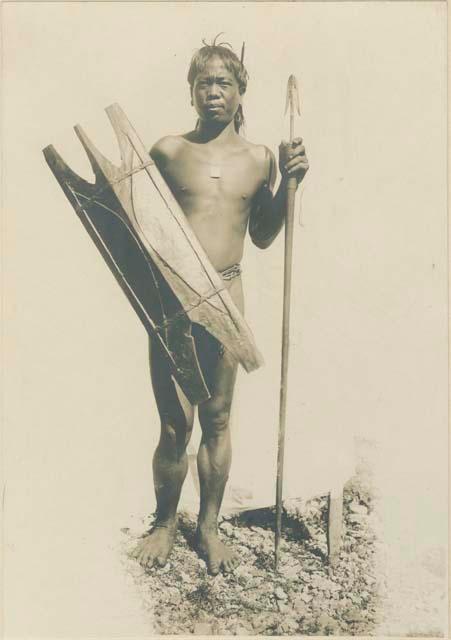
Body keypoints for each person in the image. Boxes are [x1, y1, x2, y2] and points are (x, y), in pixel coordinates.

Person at [132, 38, 309, 575]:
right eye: (204, 83)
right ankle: (165, 523)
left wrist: (291, 184)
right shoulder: (166, 151)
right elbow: (135, 226)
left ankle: (207, 527)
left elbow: (260, 234)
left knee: (218, 417)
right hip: (171, 299)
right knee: (172, 424)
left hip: (227, 295)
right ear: (191, 91)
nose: (213, 93)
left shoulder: (259, 159)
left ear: (240, 93)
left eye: (223, 83)